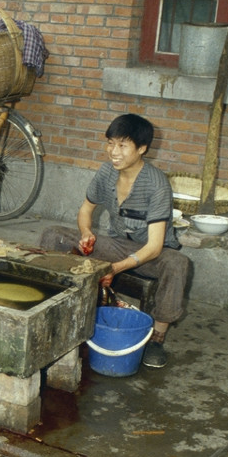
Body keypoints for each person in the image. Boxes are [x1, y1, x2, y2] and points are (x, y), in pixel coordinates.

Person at [40, 113, 190, 369]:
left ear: (142, 148)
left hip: (152, 254)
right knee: (53, 234)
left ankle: (157, 339)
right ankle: (51, 310)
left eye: (122, 145)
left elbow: (154, 247)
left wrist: (115, 268)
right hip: (117, 243)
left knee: (178, 264)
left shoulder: (157, 185)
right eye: (110, 143)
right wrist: (86, 232)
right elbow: (86, 209)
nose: (113, 152)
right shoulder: (106, 172)